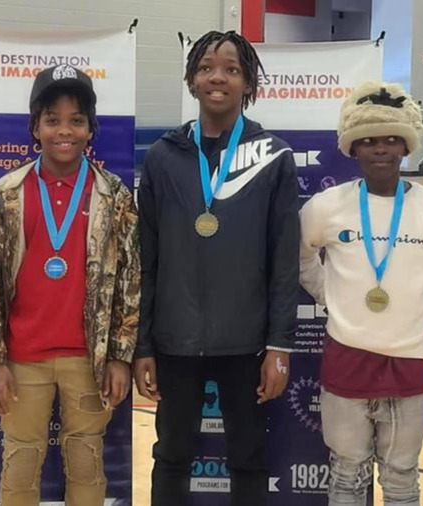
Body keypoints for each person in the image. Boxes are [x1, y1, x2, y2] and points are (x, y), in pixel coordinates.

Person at [133, 30, 299, 506]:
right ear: (191, 79)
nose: (217, 77)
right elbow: (148, 258)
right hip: (175, 339)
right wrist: (144, 344)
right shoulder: (164, 157)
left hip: (247, 343)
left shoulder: (273, 156)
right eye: (206, 67)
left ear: (248, 82)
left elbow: (284, 261)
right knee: (172, 454)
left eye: (231, 68)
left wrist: (278, 346)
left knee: (247, 455)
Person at [300, 81, 423, 506]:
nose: (380, 149)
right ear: (353, 148)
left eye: (391, 140)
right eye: (369, 141)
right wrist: (331, 293)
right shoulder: (326, 205)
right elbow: (299, 257)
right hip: (346, 359)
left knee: (400, 475)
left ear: (406, 147)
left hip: (410, 362)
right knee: (346, 472)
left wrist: (422, 296)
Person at [0, 64, 140, 506]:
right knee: (21, 462)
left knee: (86, 463)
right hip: (21, 358)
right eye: (52, 120)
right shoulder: (7, 194)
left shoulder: (114, 194)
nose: (64, 130)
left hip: (88, 359)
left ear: (91, 129)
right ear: (35, 128)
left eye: (76, 120)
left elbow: (129, 280)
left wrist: (120, 356)